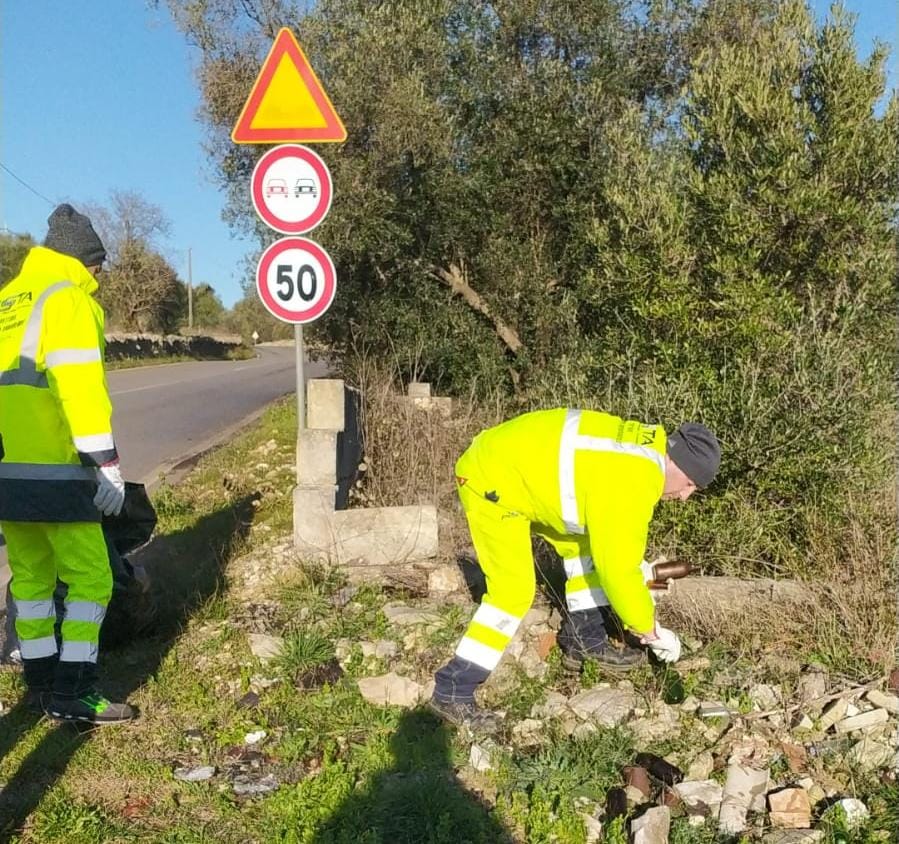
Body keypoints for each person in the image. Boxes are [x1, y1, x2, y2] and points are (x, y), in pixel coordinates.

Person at [429, 409, 720, 731]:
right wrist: (649, 630)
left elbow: (612, 548)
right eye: (691, 483)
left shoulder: (646, 451)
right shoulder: (635, 479)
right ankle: (453, 688)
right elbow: (618, 570)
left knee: (586, 546)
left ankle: (585, 638)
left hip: (521, 473)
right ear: (676, 463)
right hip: (491, 479)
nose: (685, 496)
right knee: (512, 592)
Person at [0, 203, 135, 724]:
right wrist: (106, 464)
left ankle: (38, 687)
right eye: (97, 267)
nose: (98, 277)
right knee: (92, 580)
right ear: (85, 261)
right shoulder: (69, 299)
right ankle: (74, 691)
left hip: (7, 473)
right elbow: (80, 390)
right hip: (58, 471)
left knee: (30, 580)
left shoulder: (9, 299)